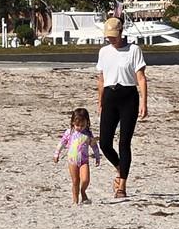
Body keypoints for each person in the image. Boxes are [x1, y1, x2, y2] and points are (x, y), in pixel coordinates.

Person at [96, 16, 149, 200]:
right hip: (110, 96)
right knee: (104, 143)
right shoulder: (104, 52)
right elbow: (101, 79)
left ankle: (122, 186)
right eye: (108, 36)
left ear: (121, 33)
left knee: (124, 142)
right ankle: (120, 167)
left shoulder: (134, 50)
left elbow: (141, 78)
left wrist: (144, 102)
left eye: (113, 36)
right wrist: (100, 101)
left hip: (128, 97)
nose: (111, 39)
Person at [54, 106, 102, 205]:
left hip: (84, 161)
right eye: (77, 125)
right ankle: (75, 200)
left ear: (87, 123)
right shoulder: (70, 132)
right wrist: (57, 154)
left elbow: (94, 146)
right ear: (73, 123)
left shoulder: (88, 134)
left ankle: (83, 191)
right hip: (72, 161)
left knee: (85, 180)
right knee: (75, 181)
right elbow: (62, 143)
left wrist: (97, 157)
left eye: (82, 125)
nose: (80, 128)